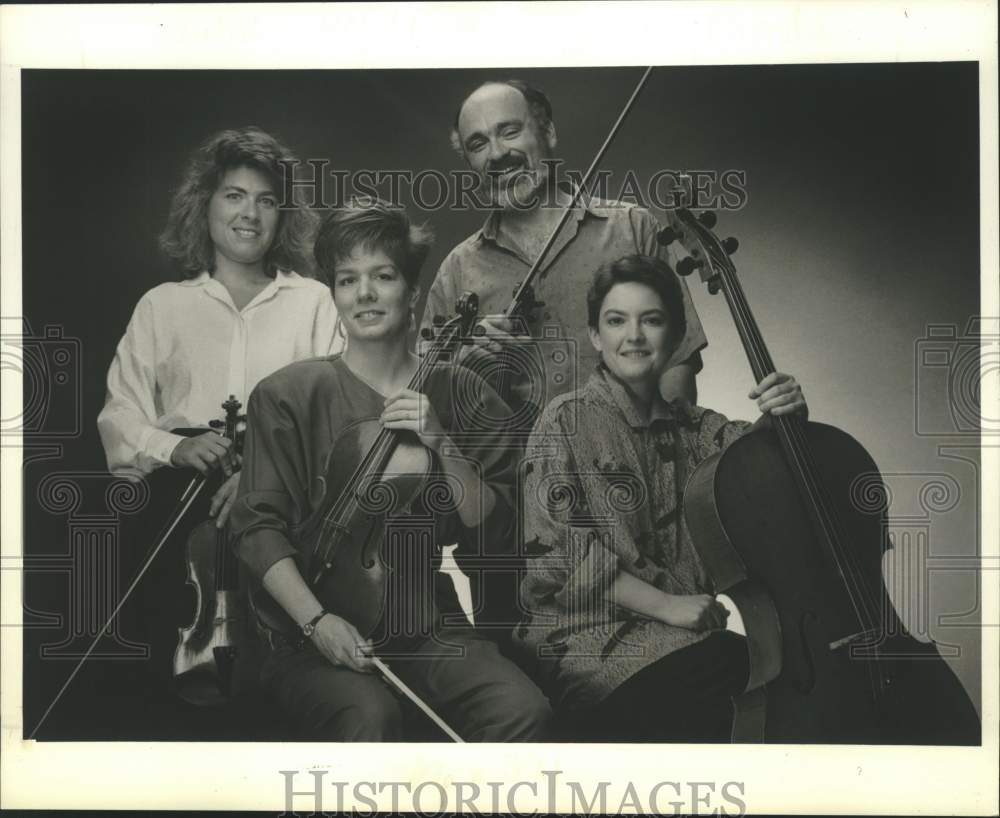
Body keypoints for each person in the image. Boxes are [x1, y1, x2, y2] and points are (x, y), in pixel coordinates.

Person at [229, 198, 552, 741]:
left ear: (413, 292)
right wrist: (317, 622)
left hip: (425, 621)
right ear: (334, 295)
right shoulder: (286, 395)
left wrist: (442, 444)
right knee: (371, 717)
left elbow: (496, 527)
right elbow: (256, 527)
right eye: (348, 280)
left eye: (382, 275)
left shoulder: (460, 391)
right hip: (310, 630)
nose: (365, 294)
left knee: (522, 711)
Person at [513, 254, 807, 742]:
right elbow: (558, 558)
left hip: (683, 641)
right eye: (616, 321)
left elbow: (764, 463)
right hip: (587, 641)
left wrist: (789, 414)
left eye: (651, 320)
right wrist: (668, 605)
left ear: (673, 338)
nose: (634, 336)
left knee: (777, 677)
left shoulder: (698, 429)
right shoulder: (564, 420)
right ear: (594, 337)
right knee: (735, 673)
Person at [96, 127, 343, 706]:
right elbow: (120, 415)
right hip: (179, 503)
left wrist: (261, 475)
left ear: (284, 214)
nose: (249, 214)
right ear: (204, 203)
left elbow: (335, 418)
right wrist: (173, 446)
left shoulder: (315, 301)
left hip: (287, 500)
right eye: (234, 195)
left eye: (266, 199)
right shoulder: (163, 305)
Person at [421, 78, 708, 430]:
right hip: (514, 481)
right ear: (469, 162)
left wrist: (659, 457)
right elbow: (428, 398)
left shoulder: (633, 228)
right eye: (478, 144)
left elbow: (677, 361)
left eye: (509, 131)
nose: (496, 154)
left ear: (549, 133)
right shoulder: (457, 271)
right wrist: (466, 366)